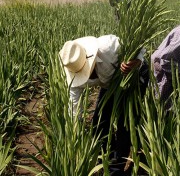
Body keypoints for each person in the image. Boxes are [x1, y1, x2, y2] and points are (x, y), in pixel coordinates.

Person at [59, 34, 149, 175]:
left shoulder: (109, 47)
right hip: (109, 85)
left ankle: (117, 169)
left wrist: (136, 61)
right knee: (99, 123)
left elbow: (139, 47)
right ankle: (104, 160)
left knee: (124, 125)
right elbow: (74, 108)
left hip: (133, 77)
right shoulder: (73, 71)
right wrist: (74, 134)